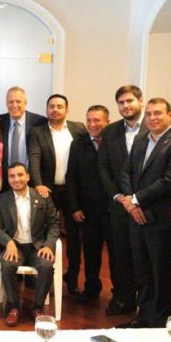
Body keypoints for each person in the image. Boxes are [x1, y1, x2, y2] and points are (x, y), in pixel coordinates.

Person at [117, 98, 171, 328]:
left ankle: (158, 323)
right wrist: (131, 203)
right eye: (148, 114)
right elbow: (126, 171)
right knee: (142, 272)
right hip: (137, 217)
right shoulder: (142, 139)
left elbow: (170, 181)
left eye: (158, 113)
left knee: (159, 274)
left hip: (160, 222)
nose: (152, 118)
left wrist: (135, 200)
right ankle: (143, 318)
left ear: (170, 114)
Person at [28, 94, 88, 296]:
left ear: (67, 109)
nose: (55, 109)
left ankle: (72, 277)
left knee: (74, 235)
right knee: (42, 232)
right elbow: (34, 158)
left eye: (59, 106)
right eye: (51, 106)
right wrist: (38, 184)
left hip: (72, 191)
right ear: (46, 109)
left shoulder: (79, 129)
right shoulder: (38, 131)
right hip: (47, 190)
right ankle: (41, 274)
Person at [97, 85, 146, 316]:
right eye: (121, 102)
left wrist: (137, 199)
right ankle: (123, 298)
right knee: (119, 255)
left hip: (146, 206)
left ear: (140, 101)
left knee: (144, 257)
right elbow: (104, 167)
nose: (125, 106)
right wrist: (120, 197)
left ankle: (145, 303)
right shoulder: (111, 131)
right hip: (118, 206)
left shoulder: (152, 126)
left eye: (129, 101)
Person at [0, 163, 58, 326]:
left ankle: (37, 307)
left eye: (20, 175)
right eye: (12, 176)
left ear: (28, 177)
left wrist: (49, 245)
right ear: (8, 179)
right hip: (15, 246)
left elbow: (54, 224)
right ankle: (14, 307)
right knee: (7, 265)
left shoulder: (42, 197)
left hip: (37, 246)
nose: (17, 179)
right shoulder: (2, 200)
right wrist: (8, 242)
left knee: (46, 266)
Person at [66, 105, 111, 303]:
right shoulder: (78, 144)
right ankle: (91, 289)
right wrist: (75, 207)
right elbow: (72, 177)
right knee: (91, 253)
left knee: (117, 254)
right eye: (89, 120)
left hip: (113, 209)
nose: (92, 124)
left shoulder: (115, 142)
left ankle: (120, 293)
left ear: (107, 122)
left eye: (97, 120)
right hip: (88, 209)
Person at [0, 86, 46, 196]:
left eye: (18, 101)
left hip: (31, 182)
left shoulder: (39, 122)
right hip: (4, 183)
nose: (14, 105)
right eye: (11, 102)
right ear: (6, 104)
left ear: (25, 103)